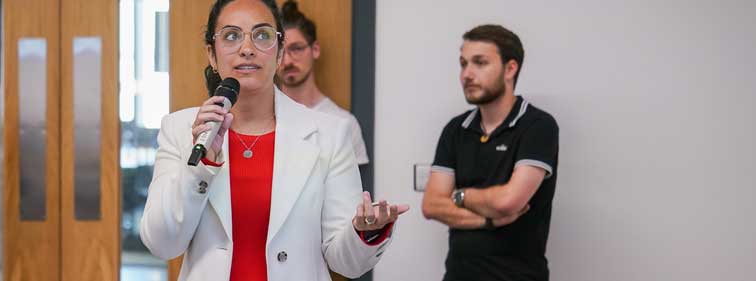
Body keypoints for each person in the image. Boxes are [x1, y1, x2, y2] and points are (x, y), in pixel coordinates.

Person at [139, 1, 408, 280]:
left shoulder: (330, 134)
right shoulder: (180, 129)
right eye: (231, 36)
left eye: (262, 35)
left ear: (279, 53)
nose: (247, 48)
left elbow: (346, 263)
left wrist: (365, 232)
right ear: (212, 53)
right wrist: (199, 164)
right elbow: (162, 244)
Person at [420, 24, 559, 281]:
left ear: (510, 68)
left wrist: (459, 195)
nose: (466, 75)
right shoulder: (455, 129)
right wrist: (489, 221)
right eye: (463, 64)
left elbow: (509, 202)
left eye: (480, 63)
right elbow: (431, 205)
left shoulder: (538, 126)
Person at [275, 0, 369, 165]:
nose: (287, 60)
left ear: (315, 50)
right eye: (280, 51)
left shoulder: (343, 123)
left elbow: (353, 189)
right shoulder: (262, 119)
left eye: (296, 48)